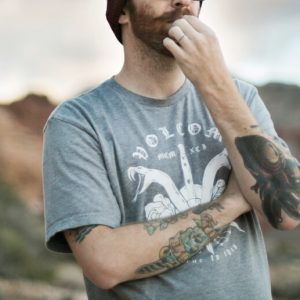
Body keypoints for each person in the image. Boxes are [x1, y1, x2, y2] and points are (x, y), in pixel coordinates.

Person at [43, 0, 300, 299]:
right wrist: (230, 203)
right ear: (122, 12)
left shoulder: (241, 98)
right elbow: (105, 263)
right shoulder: (77, 123)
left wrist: (216, 84)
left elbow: (289, 210)